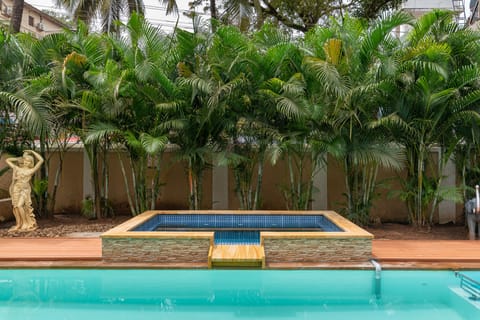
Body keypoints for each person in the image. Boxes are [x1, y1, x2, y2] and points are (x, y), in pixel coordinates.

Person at [6, 150, 44, 232]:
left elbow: (41, 160)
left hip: (24, 190)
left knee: (20, 205)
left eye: (29, 161)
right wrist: (18, 159)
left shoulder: (31, 170)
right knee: (16, 207)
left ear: (31, 162)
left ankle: (25, 224)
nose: (26, 162)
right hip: (16, 189)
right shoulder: (17, 169)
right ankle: (19, 224)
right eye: (25, 160)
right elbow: (7, 160)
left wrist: (32, 152)